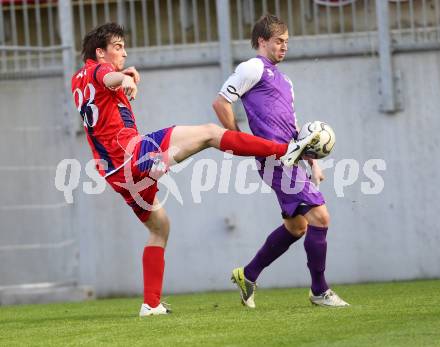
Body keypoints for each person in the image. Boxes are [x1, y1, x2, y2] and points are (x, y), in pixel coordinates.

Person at [71, 23, 310, 317]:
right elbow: (107, 75)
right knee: (210, 133)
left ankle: (151, 303)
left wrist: (125, 75)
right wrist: (125, 78)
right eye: (118, 47)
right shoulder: (99, 71)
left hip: (117, 175)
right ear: (100, 52)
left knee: (160, 228)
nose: (124, 52)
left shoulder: (77, 80)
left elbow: (102, 81)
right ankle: (285, 150)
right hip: (132, 154)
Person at [212, 14, 349, 308]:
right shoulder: (252, 68)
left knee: (297, 227)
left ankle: (248, 274)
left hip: (291, 159)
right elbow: (221, 102)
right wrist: (238, 140)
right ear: (262, 41)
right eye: (279, 41)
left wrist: (312, 161)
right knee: (321, 218)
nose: (284, 47)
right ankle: (319, 290)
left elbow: (294, 128)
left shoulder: (285, 81)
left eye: (287, 42)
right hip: (275, 160)